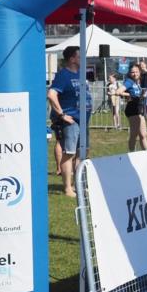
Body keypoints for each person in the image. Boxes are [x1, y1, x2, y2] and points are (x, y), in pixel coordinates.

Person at [47, 45, 91, 197]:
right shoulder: (63, 75)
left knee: (82, 152)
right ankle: (67, 188)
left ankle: (76, 185)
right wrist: (61, 114)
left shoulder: (80, 73)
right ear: (72, 58)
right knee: (70, 152)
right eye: (80, 56)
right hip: (72, 120)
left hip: (84, 120)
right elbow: (51, 94)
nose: (83, 59)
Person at [117, 64, 147, 152]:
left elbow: (138, 96)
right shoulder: (129, 81)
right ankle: (132, 153)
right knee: (134, 134)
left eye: (136, 72)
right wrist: (131, 95)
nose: (135, 74)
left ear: (140, 72)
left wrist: (142, 95)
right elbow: (119, 91)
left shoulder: (137, 83)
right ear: (130, 73)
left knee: (143, 134)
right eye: (132, 72)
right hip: (132, 109)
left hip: (139, 109)